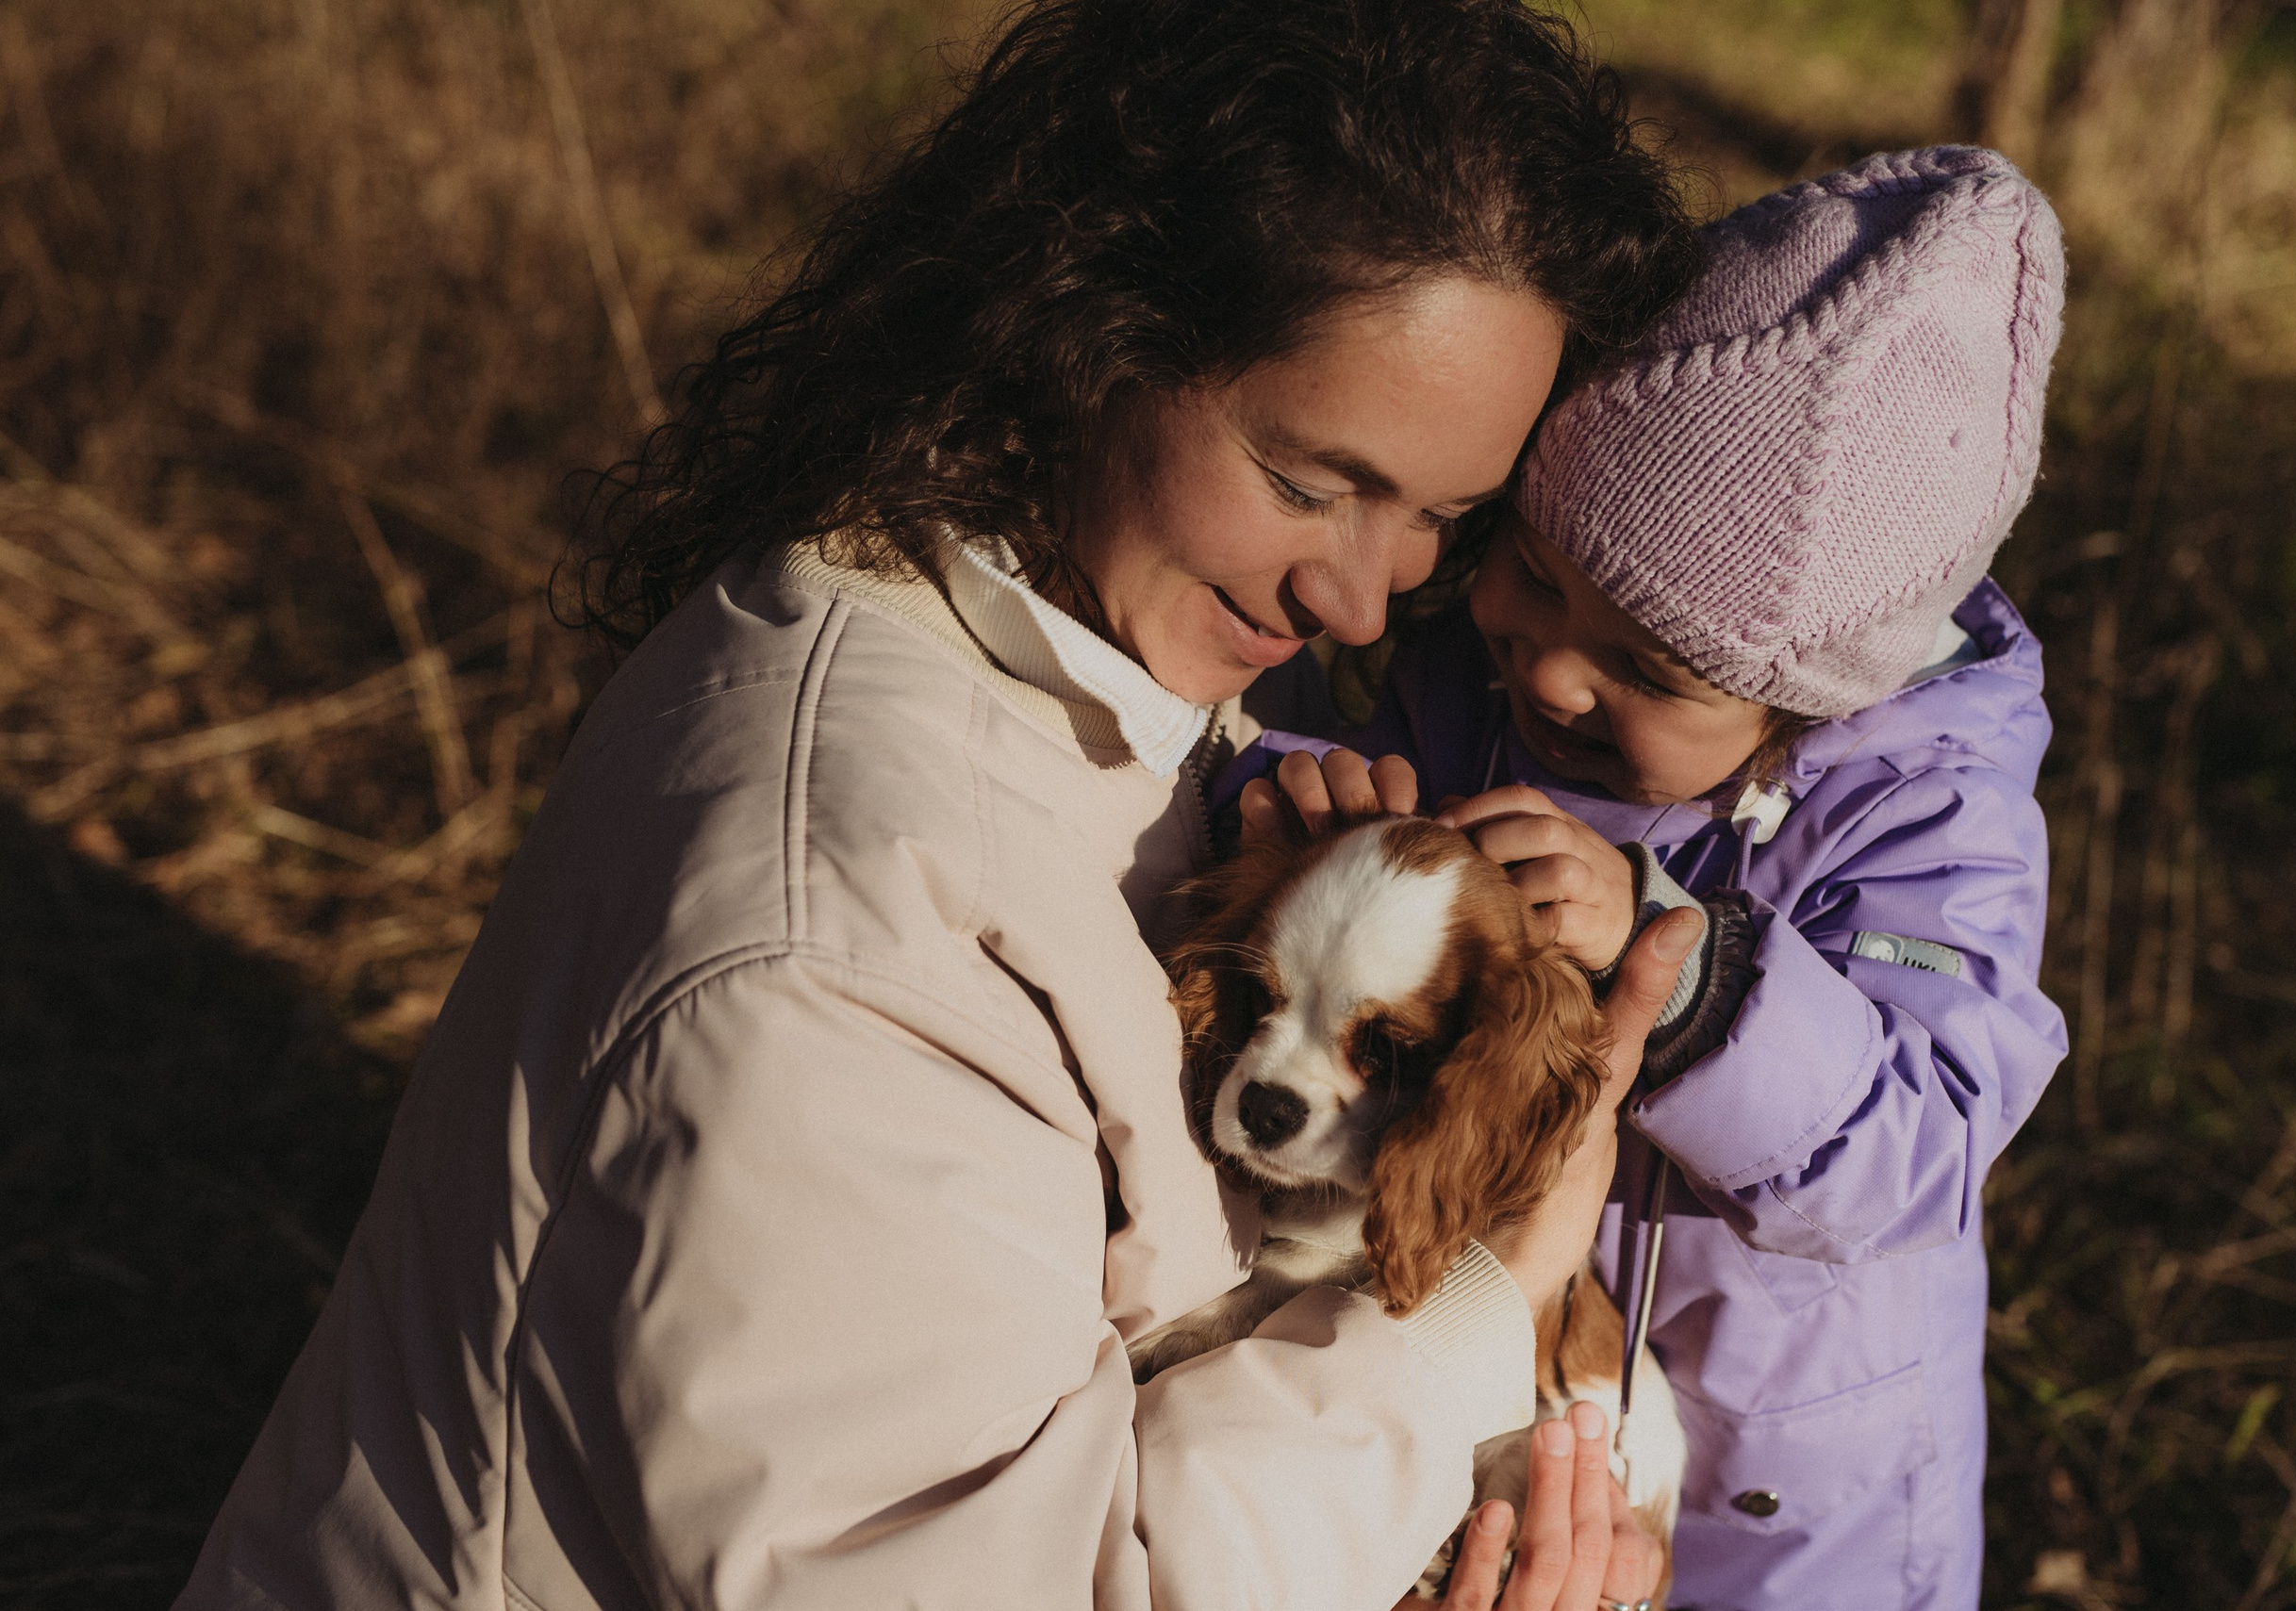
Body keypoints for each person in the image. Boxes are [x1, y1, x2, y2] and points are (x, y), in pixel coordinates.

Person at [171, 3, 1709, 1607]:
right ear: (1102, 326)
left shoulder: (1068, 670)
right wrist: (1472, 1314)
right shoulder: (834, 937)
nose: (1364, 600)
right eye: (1310, 484)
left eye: (1443, 517)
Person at [1238, 147, 2073, 1607]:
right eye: (1536, 572)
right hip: (1513, 1355)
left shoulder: (1926, 815)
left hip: (1787, 1481)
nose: (1553, 671)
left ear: (1807, 702)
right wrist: (1309, 807)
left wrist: (1697, 980)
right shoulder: (1469, 686)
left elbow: (1923, 1137)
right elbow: (1335, 815)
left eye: (1647, 668)